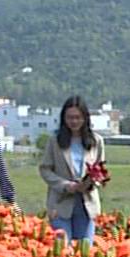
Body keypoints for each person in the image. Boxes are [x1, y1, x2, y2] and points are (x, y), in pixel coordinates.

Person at [39, 94, 105, 244]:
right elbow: (45, 169)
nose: (74, 121)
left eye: (78, 117)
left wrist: (90, 183)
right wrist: (65, 185)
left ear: (85, 118)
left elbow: (100, 170)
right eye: (70, 118)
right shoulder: (55, 141)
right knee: (63, 250)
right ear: (64, 118)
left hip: (86, 203)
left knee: (85, 250)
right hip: (61, 203)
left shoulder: (96, 141)